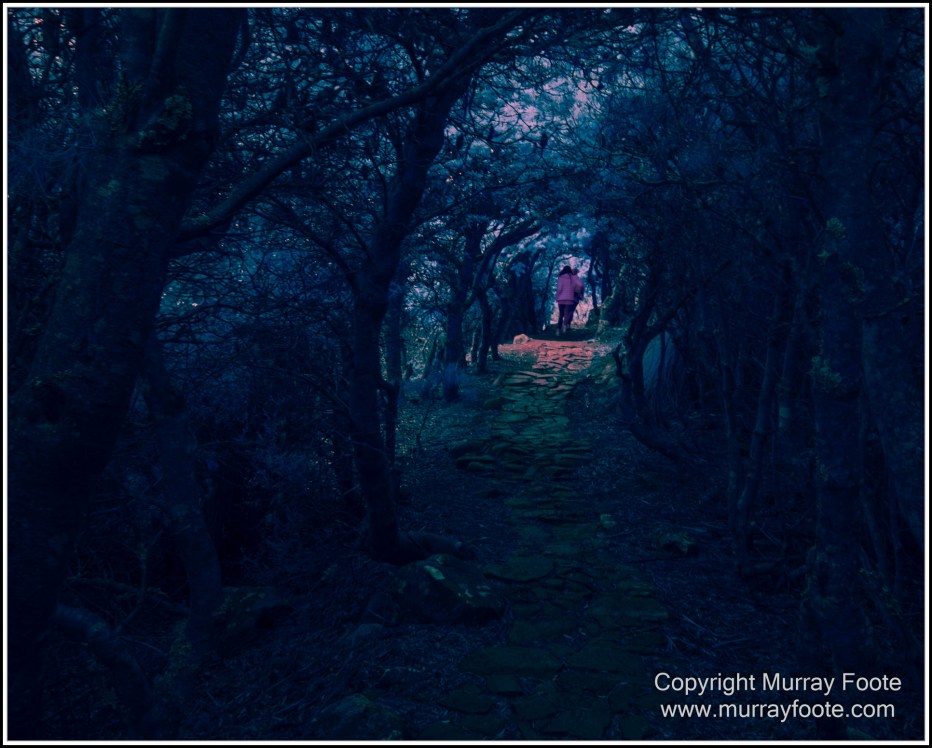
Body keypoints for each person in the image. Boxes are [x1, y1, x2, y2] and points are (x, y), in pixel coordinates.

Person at [555, 265, 584, 335]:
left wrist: (557, 297)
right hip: (570, 299)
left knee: (561, 315)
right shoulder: (573, 278)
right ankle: (564, 328)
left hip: (561, 299)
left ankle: (558, 330)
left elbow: (559, 289)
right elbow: (580, 285)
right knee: (567, 314)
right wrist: (579, 292)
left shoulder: (561, 277)